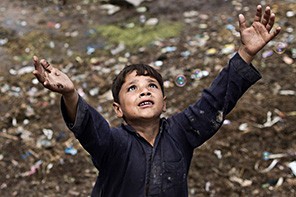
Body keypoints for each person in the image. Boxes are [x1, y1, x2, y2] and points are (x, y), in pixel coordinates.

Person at [33, 5, 281, 197]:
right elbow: (89, 127)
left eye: (152, 86)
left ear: (164, 103)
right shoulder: (113, 144)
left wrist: (246, 53)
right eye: (132, 88)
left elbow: (215, 101)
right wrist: (70, 93)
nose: (144, 91)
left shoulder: (181, 132)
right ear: (118, 109)